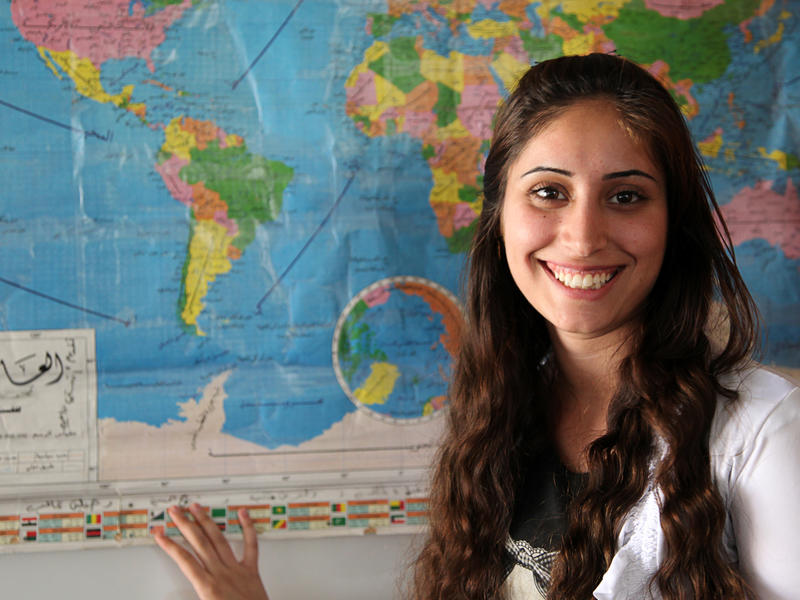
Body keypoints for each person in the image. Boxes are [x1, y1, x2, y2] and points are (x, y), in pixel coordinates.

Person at [156, 53, 800, 599]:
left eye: (626, 195)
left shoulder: (762, 434)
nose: (582, 237)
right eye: (549, 192)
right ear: (501, 215)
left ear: (673, 222)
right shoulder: (499, 411)